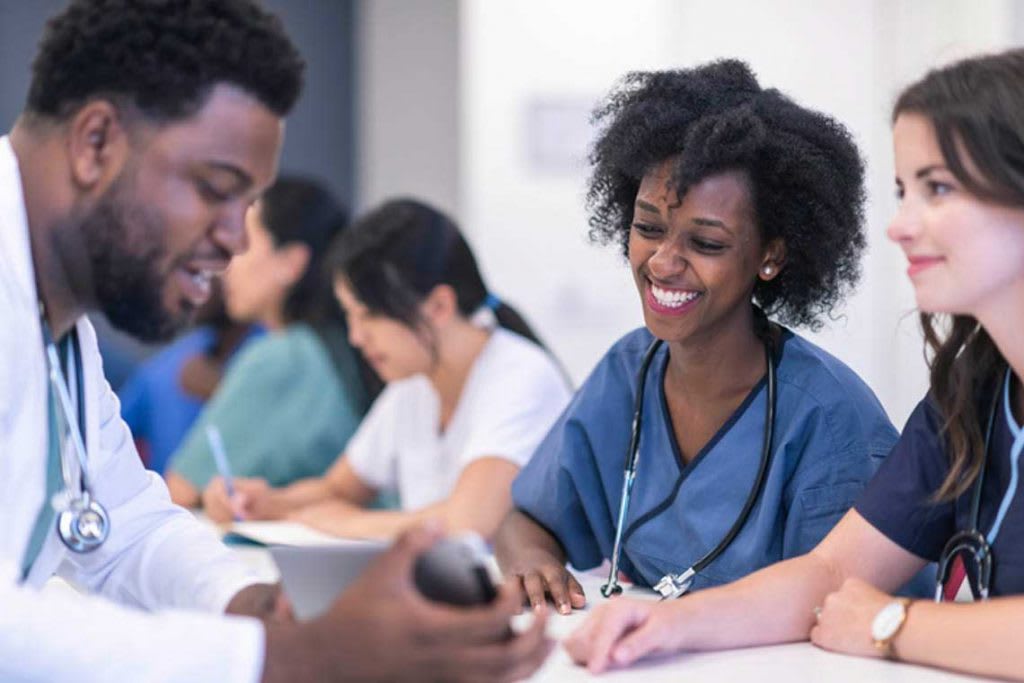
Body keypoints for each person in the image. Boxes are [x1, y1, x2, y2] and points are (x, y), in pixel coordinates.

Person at [0, 2, 549, 681]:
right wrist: (297, 656)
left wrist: (268, 608)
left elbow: (129, 528)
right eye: (216, 189)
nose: (233, 238)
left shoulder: (60, 331)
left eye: (249, 206)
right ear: (95, 144)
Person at [563, 49, 1024, 682]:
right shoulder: (970, 393)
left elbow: (871, 609)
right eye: (903, 191)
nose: (900, 226)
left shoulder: (826, 409)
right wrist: (669, 624)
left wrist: (891, 624)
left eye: (937, 188)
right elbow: (834, 573)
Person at [496, 59, 906, 614]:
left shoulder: (831, 425)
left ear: (771, 256)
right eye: (648, 228)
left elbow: (855, 615)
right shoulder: (628, 371)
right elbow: (529, 517)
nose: (663, 263)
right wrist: (532, 560)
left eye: (706, 244)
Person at [202, 199, 573, 542]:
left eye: (370, 316)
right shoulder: (414, 383)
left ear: (440, 306)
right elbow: (337, 489)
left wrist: (345, 523)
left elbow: (468, 524)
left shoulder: (521, 377)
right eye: (349, 315)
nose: (356, 337)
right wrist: (267, 502)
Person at [165, 176, 378, 506]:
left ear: (290, 262)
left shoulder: (282, 358)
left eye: (245, 244)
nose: (226, 265)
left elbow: (178, 492)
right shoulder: (337, 346)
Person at [118, 280, 260, 473]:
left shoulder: (276, 351)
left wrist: (221, 390)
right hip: (165, 498)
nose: (194, 287)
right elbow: (105, 435)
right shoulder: (167, 365)